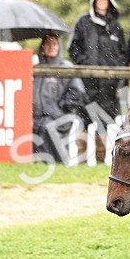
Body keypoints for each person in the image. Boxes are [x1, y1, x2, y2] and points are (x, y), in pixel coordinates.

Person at [69, 0, 126, 125]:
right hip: (87, 83)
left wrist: (115, 71)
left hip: (109, 85)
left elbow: (123, 53)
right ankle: (81, 146)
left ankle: (101, 147)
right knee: (83, 122)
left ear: (109, 2)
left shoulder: (115, 26)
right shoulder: (83, 22)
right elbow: (73, 47)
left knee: (104, 125)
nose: (101, 2)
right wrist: (85, 63)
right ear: (93, 2)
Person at [32, 33, 87, 163]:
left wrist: (62, 107)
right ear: (42, 47)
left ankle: (57, 164)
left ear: (59, 47)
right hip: (36, 118)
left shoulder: (66, 67)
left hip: (57, 118)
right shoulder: (35, 69)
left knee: (47, 129)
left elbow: (77, 92)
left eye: (55, 43)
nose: (52, 46)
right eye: (48, 43)